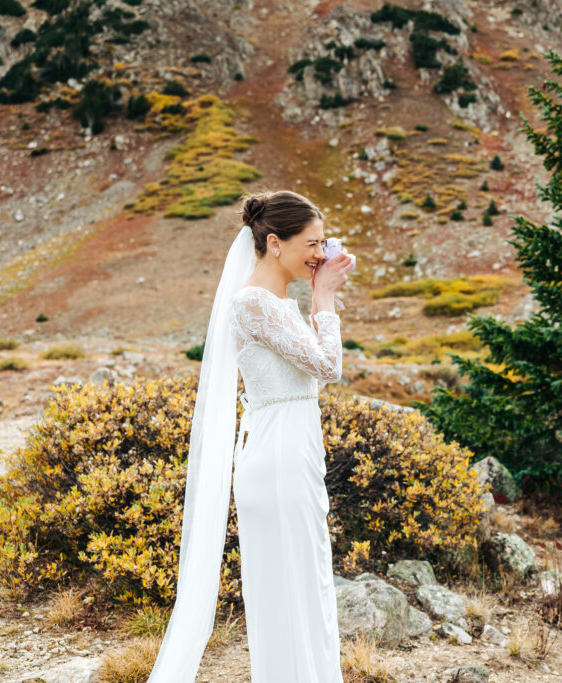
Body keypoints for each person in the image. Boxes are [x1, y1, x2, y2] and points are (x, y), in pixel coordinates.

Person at [148, 190, 353, 682]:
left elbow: (309, 370)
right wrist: (323, 297)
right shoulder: (254, 303)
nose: (320, 254)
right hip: (278, 458)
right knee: (290, 590)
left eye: (323, 243)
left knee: (305, 584)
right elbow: (328, 366)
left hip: (292, 451)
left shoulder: (276, 303)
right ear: (275, 243)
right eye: (312, 243)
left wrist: (315, 299)